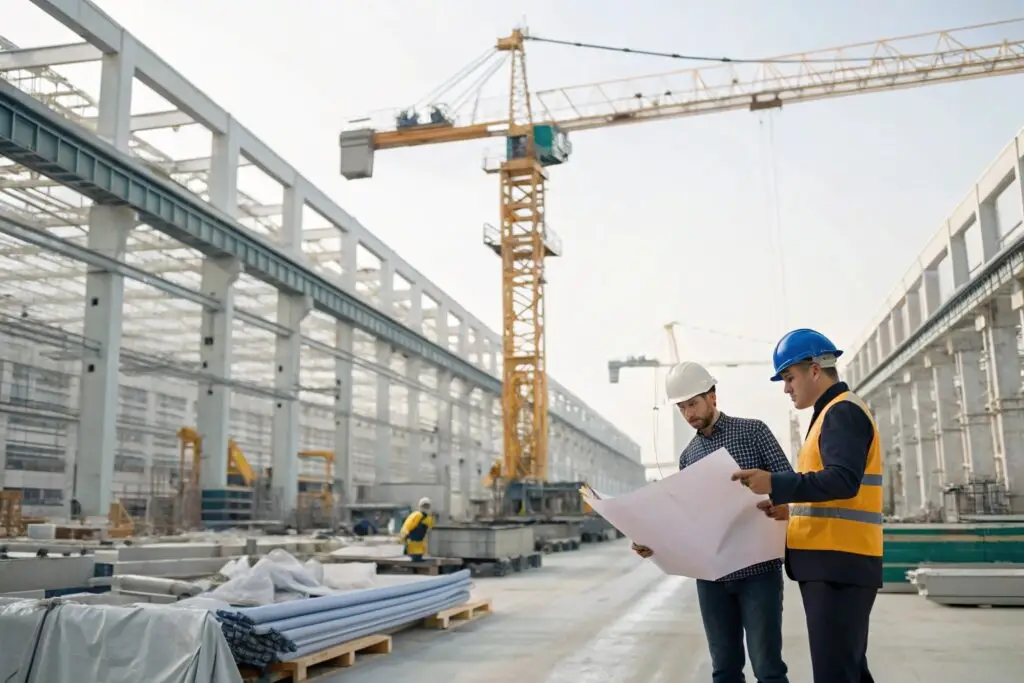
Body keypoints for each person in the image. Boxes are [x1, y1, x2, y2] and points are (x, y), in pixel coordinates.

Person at [731, 328, 882, 683]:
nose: (786, 388)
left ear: (815, 369)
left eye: (789, 377)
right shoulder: (831, 413)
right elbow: (831, 491)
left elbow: (842, 481)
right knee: (848, 671)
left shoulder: (841, 412)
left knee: (835, 673)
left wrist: (775, 483)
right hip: (837, 561)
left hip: (839, 562)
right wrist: (791, 511)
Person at [632, 361, 792, 683]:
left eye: (692, 404)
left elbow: (789, 482)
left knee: (768, 669)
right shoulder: (688, 456)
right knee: (724, 670)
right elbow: (687, 519)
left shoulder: (753, 432)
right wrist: (654, 543)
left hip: (758, 571)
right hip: (712, 576)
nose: (688, 414)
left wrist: (782, 504)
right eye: (681, 408)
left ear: (712, 396)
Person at [398, 497, 435, 562]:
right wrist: (403, 538)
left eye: (427, 505)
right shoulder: (416, 515)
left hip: (420, 545)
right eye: (424, 505)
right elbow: (406, 527)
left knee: (418, 559)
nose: (425, 507)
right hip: (412, 543)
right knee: (416, 559)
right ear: (420, 506)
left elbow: (430, 530)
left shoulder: (429, 518)